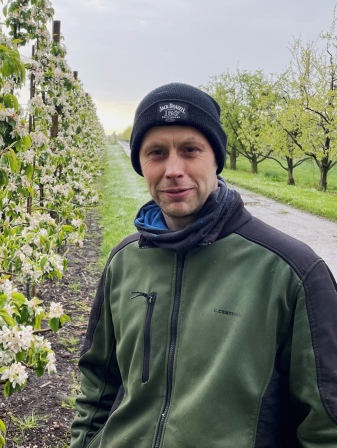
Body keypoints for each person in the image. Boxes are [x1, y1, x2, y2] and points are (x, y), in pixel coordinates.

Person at [70, 82, 337, 447]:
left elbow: (325, 425)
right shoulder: (124, 262)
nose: (173, 169)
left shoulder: (292, 272)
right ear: (141, 164)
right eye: (157, 153)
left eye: (190, 150)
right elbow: (98, 385)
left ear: (216, 158)